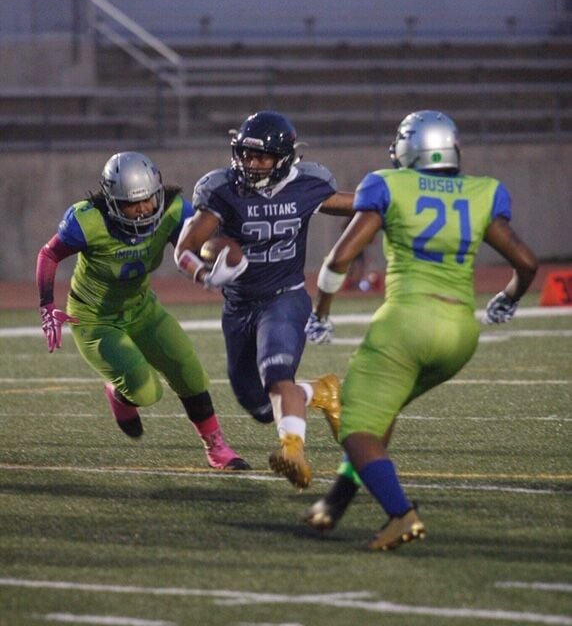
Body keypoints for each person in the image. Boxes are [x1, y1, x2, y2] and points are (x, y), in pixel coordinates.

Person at [303, 110, 538, 551]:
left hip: (406, 325)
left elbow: (340, 258)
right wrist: (508, 297)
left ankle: (401, 514)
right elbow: (527, 263)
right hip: (459, 335)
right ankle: (333, 504)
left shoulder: (389, 183)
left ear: (407, 148)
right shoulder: (484, 191)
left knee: (356, 424)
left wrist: (322, 312)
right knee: (380, 414)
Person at [174, 110, 355, 489]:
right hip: (239, 305)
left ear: (285, 158)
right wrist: (206, 275)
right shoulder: (223, 190)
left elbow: (362, 205)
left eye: (261, 157)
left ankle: (292, 450)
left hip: (284, 298)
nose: (251, 164)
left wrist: (394, 200)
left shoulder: (308, 185)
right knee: (257, 405)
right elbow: (185, 249)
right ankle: (320, 392)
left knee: (277, 376)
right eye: (246, 155)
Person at [36, 151, 250, 470]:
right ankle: (121, 396)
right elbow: (49, 255)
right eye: (130, 203)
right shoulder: (87, 220)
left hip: (141, 308)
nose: (142, 210)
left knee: (188, 369)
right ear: (110, 201)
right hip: (95, 319)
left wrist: (208, 271)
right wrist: (47, 305)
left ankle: (216, 447)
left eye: (148, 200)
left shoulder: (174, 210)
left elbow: (187, 249)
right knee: (145, 390)